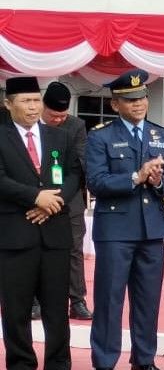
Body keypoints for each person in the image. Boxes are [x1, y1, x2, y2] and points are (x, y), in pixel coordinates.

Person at [85, 69, 164, 370]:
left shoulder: (162, 136)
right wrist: (136, 177)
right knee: (110, 298)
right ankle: (105, 362)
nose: (137, 105)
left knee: (148, 298)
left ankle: (144, 360)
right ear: (115, 104)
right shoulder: (100, 136)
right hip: (116, 230)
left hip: (151, 229)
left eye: (141, 98)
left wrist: (158, 180)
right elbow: (96, 181)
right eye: (129, 100)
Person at [0, 76, 82, 370]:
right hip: (15, 233)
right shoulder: (2, 136)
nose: (33, 107)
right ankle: (20, 364)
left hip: (54, 231)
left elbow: (74, 174)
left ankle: (58, 364)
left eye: (36, 100)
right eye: (25, 101)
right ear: (9, 105)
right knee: (16, 304)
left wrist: (53, 201)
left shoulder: (58, 136)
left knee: (56, 305)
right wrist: (35, 197)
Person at [41, 81, 92, 320]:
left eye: (63, 115)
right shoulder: (27, 126)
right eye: (54, 115)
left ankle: (77, 300)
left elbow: (79, 166)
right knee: (34, 250)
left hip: (68, 198)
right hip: (34, 199)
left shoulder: (76, 126)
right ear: (43, 107)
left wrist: (58, 198)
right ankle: (34, 300)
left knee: (74, 249)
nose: (59, 120)